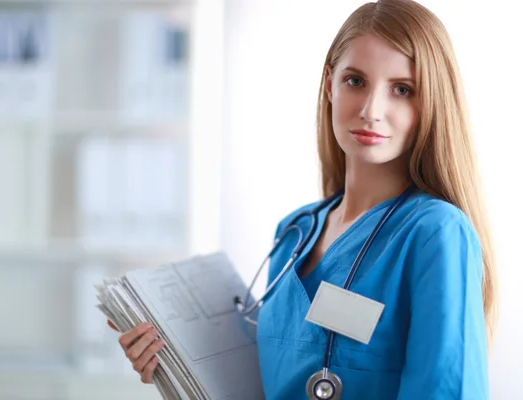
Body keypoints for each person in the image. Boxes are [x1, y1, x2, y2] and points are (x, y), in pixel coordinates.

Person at [109, 0, 497, 398]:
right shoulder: (295, 232)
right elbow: (261, 381)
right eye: (355, 81)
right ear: (329, 82)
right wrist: (171, 361)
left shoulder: (435, 233)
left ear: (431, 102)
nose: (371, 110)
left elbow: (448, 391)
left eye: (402, 90)